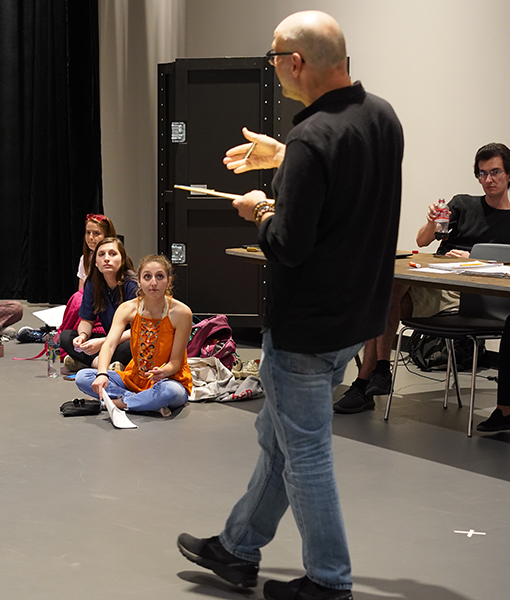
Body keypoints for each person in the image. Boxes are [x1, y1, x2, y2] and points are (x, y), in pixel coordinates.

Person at [177, 11, 402, 600]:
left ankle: (330, 582)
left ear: (296, 63)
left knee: (305, 454)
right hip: (356, 318)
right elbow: (346, 184)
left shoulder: (310, 138)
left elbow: (288, 246)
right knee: (279, 439)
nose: (274, 65)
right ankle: (237, 547)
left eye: (275, 56)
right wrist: (286, 161)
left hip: (306, 326)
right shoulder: (381, 116)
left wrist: (262, 209)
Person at [336, 142, 510, 414]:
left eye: (495, 172)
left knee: (380, 303)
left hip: (468, 297)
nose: (488, 180)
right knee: (385, 290)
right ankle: (379, 372)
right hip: (434, 283)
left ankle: (365, 382)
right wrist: (431, 222)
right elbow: (423, 240)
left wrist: (475, 260)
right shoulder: (463, 204)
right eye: (482, 173)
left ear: (509, 174)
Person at [72, 254, 192, 414]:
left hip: (168, 380)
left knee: (170, 392)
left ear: (168, 281)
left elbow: (175, 363)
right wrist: (102, 373)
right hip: (133, 378)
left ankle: (115, 403)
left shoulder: (182, 313)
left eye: (160, 276)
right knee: (83, 377)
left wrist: (163, 372)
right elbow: (109, 344)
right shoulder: (127, 308)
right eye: (147, 277)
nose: (153, 283)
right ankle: (143, 402)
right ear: (139, 281)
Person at [59, 237, 138, 370]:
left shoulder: (132, 285)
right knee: (66, 337)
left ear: (122, 259)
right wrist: (83, 337)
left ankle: (91, 363)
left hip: (126, 339)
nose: (106, 258)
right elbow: (86, 320)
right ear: (95, 262)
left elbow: (138, 330)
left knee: (131, 346)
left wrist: (103, 343)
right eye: (101, 255)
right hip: (108, 341)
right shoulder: (93, 283)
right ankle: (106, 364)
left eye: (112, 254)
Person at [52, 214, 117, 356]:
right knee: (69, 335)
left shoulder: (115, 264)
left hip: (106, 313)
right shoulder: (85, 259)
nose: (91, 238)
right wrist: (82, 335)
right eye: (88, 233)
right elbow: (81, 294)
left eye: (96, 233)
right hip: (90, 310)